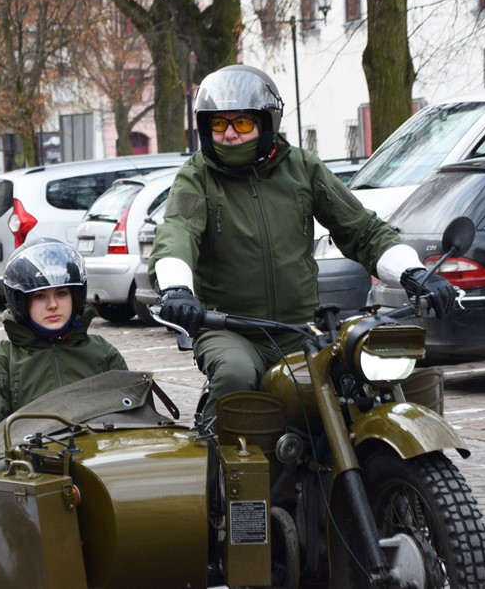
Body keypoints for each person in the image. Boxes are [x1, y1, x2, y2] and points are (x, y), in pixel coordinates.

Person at [149, 65, 457, 425]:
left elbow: (361, 229)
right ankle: (215, 454)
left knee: (358, 378)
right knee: (235, 375)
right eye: (219, 124)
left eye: (242, 123)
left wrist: (413, 272)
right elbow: (178, 231)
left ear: (266, 124)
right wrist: (176, 289)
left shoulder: (302, 168)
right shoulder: (197, 176)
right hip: (229, 330)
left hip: (300, 329)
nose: (229, 134)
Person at [0, 239, 129, 451]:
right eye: (40, 296)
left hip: (99, 461)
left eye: (62, 293)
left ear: (75, 297)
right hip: (32, 467)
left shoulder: (103, 353)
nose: (53, 305)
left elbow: (136, 420)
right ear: (21, 302)